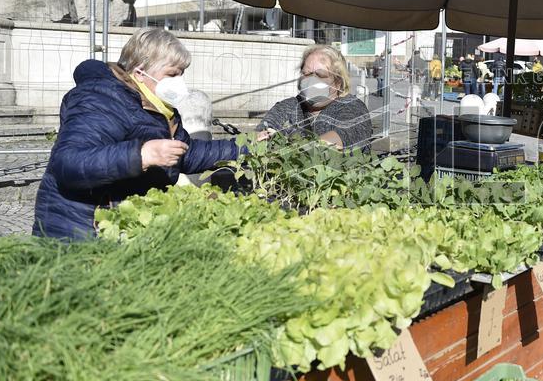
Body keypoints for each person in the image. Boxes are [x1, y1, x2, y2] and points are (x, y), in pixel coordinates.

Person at [32, 28, 242, 240]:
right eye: (172, 74)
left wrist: (246, 146)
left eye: (181, 74)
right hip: (77, 230)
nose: (179, 82)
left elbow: (186, 153)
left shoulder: (159, 108)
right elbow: (69, 162)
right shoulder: (102, 98)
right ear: (140, 73)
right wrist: (141, 155)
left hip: (115, 226)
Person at [257, 44, 372, 149]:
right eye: (306, 74)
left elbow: (334, 144)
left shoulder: (352, 107)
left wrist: (283, 141)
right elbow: (260, 135)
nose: (311, 80)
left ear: (338, 83)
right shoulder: (289, 106)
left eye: (320, 75)